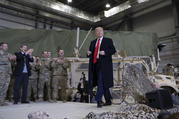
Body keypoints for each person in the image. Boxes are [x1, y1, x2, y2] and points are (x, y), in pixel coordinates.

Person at [87, 27, 116, 108]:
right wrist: (88, 53)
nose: (99, 32)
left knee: (100, 82)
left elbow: (113, 50)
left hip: (105, 66)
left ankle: (98, 100)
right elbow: (91, 53)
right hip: (95, 65)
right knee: (103, 83)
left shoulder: (108, 40)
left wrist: (105, 52)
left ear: (103, 32)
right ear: (95, 33)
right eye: (97, 31)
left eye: (101, 30)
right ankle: (108, 100)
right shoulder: (93, 42)